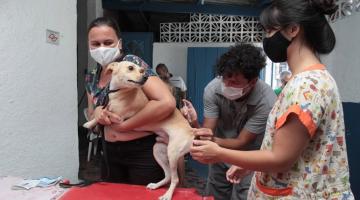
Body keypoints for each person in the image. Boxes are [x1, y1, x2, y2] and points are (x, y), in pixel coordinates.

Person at [189, 0, 354, 199]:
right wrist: (249, 166)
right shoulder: (308, 80)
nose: (267, 38)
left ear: (293, 29)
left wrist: (219, 153)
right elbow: (293, 152)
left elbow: (279, 158)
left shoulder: (306, 86)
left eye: (269, 31)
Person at [85, 17, 176, 185]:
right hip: (109, 152)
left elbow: (166, 102)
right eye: (95, 44)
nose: (102, 48)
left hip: (142, 151)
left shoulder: (132, 64)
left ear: (119, 43)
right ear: (89, 45)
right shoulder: (91, 76)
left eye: (108, 42)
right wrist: (97, 113)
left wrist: (124, 126)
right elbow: (92, 115)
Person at [182, 43, 276, 200]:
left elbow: (241, 142)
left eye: (235, 82)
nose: (228, 85)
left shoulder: (266, 101)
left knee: (244, 194)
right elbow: (208, 133)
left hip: (249, 155)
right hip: (219, 150)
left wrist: (212, 143)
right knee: (215, 192)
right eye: (226, 78)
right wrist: (195, 125)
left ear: (252, 82)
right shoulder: (212, 90)